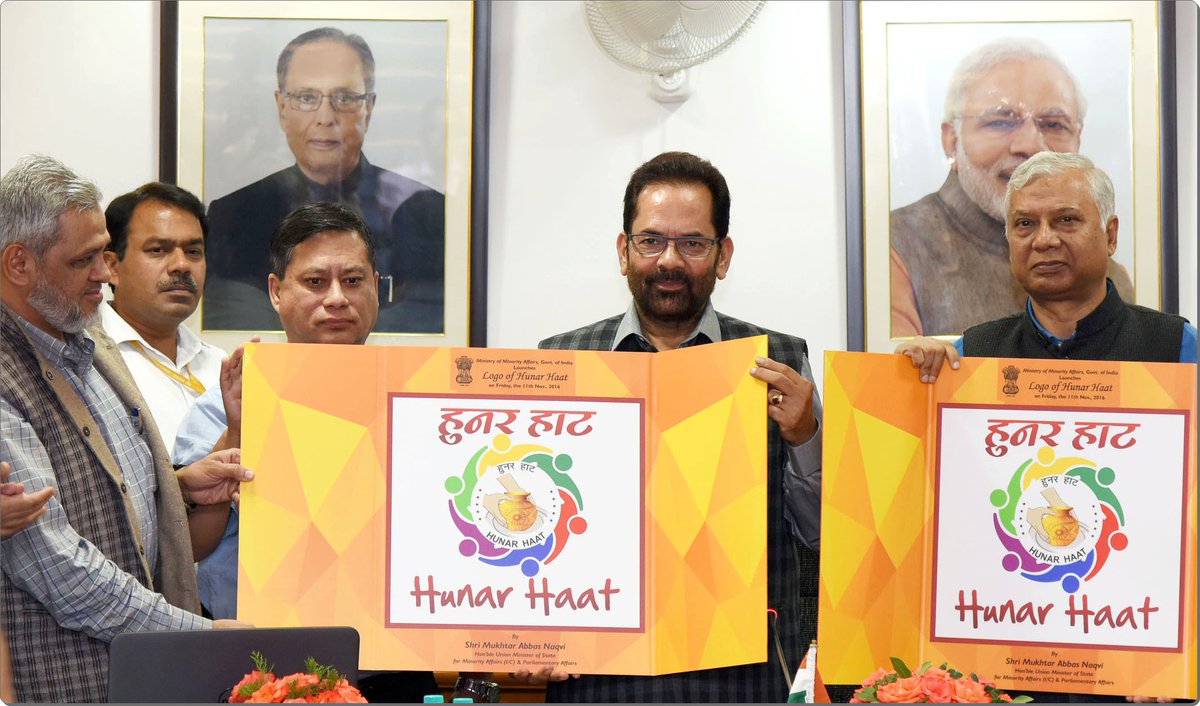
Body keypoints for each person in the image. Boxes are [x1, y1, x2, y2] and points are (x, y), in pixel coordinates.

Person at [899, 152, 1193, 705]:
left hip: (1136, 660)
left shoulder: (1177, 350)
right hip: (1000, 670)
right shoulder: (969, 359)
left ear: (1110, 235)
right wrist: (907, 390)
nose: (1044, 240)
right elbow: (926, 515)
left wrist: (1176, 651)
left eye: (1066, 220)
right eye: (1024, 224)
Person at [530, 151, 822, 702]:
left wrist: (805, 438)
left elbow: (820, 535)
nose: (669, 260)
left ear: (722, 255)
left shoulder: (781, 361)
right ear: (623, 251)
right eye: (650, 241)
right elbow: (538, 519)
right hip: (601, 672)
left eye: (692, 243)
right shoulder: (562, 361)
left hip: (742, 673)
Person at [0, 154, 254, 702]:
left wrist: (179, 491)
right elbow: (59, 568)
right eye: (83, 260)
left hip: (144, 681)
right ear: (19, 264)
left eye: (104, 254)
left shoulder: (89, 345)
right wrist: (200, 636)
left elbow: (108, 499)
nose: (104, 273)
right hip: (66, 687)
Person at [175, 201, 440, 701]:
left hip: (395, 666)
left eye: (353, 281)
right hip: (259, 671)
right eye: (315, 282)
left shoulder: (422, 404)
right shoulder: (221, 408)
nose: (337, 299)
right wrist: (237, 430)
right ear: (277, 291)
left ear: (376, 287)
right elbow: (190, 546)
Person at [204, 26, 445, 335]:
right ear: (281, 108)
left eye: (344, 98)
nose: (325, 117)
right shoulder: (234, 215)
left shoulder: (424, 213)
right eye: (306, 97)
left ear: (368, 108)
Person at [890, 37, 1134, 338]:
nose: (1030, 145)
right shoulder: (897, 247)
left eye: (1053, 124)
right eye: (1000, 122)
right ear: (952, 140)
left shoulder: (1111, 277)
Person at [99, 182, 224, 451]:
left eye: (193, 252)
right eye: (158, 250)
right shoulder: (88, 360)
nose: (181, 265)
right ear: (112, 267)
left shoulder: (220, 364)